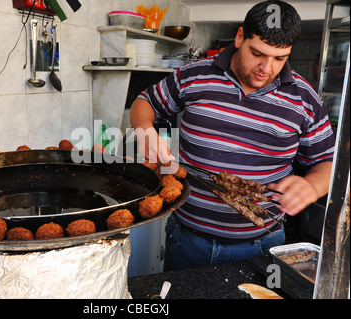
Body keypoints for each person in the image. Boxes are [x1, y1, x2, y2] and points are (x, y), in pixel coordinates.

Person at [130, 0, 335, 271]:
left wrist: (313, 186)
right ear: (240, 37)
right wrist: (144, 129)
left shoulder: (305, 99)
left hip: (263, 244)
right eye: (257, 53)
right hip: (187, 240)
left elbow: (328, 164)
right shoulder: (195, 75)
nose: (266, 68)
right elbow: (144, 102)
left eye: (279, 58)